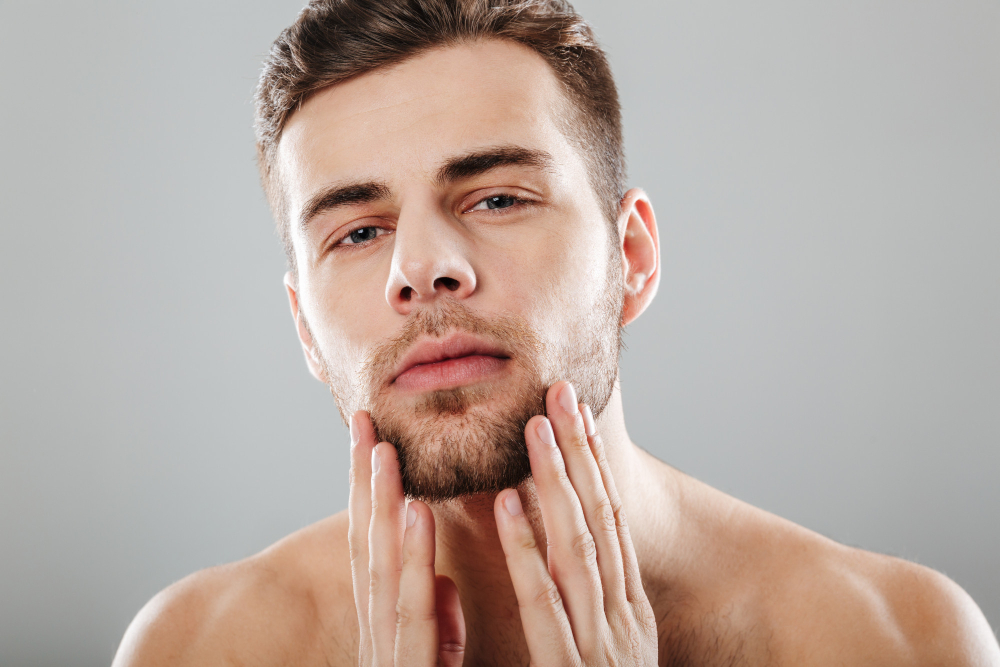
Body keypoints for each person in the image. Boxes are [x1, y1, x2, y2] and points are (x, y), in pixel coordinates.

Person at [113, 1, 1000, 665]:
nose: (421, 269)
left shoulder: (895, 640)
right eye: (357, 231)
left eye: (496, 198)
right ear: (306, 328)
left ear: (634, 257)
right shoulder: (198, 648)